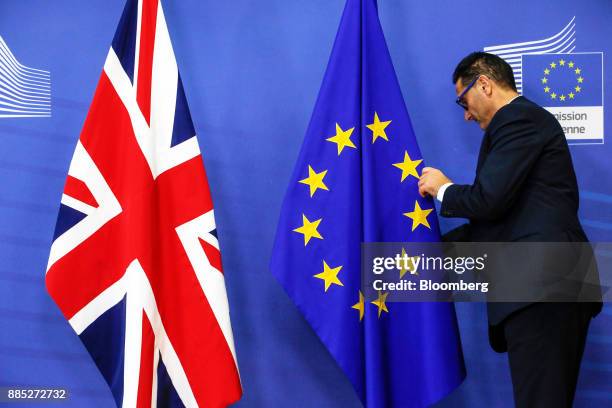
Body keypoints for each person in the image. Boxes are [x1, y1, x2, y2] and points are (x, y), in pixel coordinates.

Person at [418, 51, 601, 407]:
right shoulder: (521, 125)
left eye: (463, 101)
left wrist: (442, 188)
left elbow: (489, 201)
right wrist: (419, 254)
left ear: (483, 84)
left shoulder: (519, 120)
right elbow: (496, 222)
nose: (467, 114)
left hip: (545, 285)